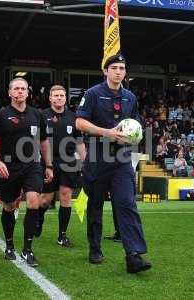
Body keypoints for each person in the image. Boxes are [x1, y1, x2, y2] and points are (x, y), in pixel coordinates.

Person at [76, 54, 151, 274]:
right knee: (95, 206)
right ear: (106, 71)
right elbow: (79, 122)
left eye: (122, 68)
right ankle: (95, 248)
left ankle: (133, 255)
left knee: (127, 203)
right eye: (114, 68)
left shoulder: (130, 97)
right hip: (98, 158)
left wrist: (133, 138)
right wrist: (106, 132)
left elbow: (135, 125)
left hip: (122, 159)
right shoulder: (92, 94)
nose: (118, 71)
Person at [0, 77, 53, 267]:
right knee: (9, 206)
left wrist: (49, 165)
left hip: (32, 165)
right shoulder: (1, 115)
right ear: (10, 93)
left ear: (28, 92)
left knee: (34, 201)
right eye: (16, 89)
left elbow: (43, 142)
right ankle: (9, 245)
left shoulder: (37, 114)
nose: (20, 91)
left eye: (23, 89)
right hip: (7, 167)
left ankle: (27, 249)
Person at [38, 85, 85, 247]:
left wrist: (85, 162)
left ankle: (62, 235)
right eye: (56, 95)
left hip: (69, 162)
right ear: (50, 98)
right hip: (47, 162)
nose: (59, 98)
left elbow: (79, 142)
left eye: (62, 95)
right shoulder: (42, 116)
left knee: (65, 195)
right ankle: (38, 217)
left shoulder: (74, 117)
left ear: (66, 98)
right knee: (45, 199)